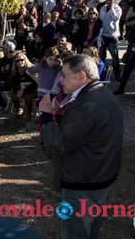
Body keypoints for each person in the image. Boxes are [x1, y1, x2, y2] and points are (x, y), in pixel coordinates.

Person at [39, 54, 124, 239]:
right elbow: (88, 133)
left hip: (83, 184)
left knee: (74, 232)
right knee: (90, 229)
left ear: (80, 77)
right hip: (100, 177)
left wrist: (46, 116)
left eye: (64, 74)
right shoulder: (103, 95)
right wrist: (63, 115)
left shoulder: (87, 104)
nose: (60, 79)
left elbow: (58, 144)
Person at [99, 0, 122, 81]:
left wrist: (111, 7)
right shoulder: (102, 8)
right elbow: (101, 19)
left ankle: (117, 74)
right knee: (102, 56)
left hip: (112, 35)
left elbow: (116, 18)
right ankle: (103, 74)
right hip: (103, 35)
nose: (108, 1)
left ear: (114, 0)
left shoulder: (117, 8)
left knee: (114, 56)